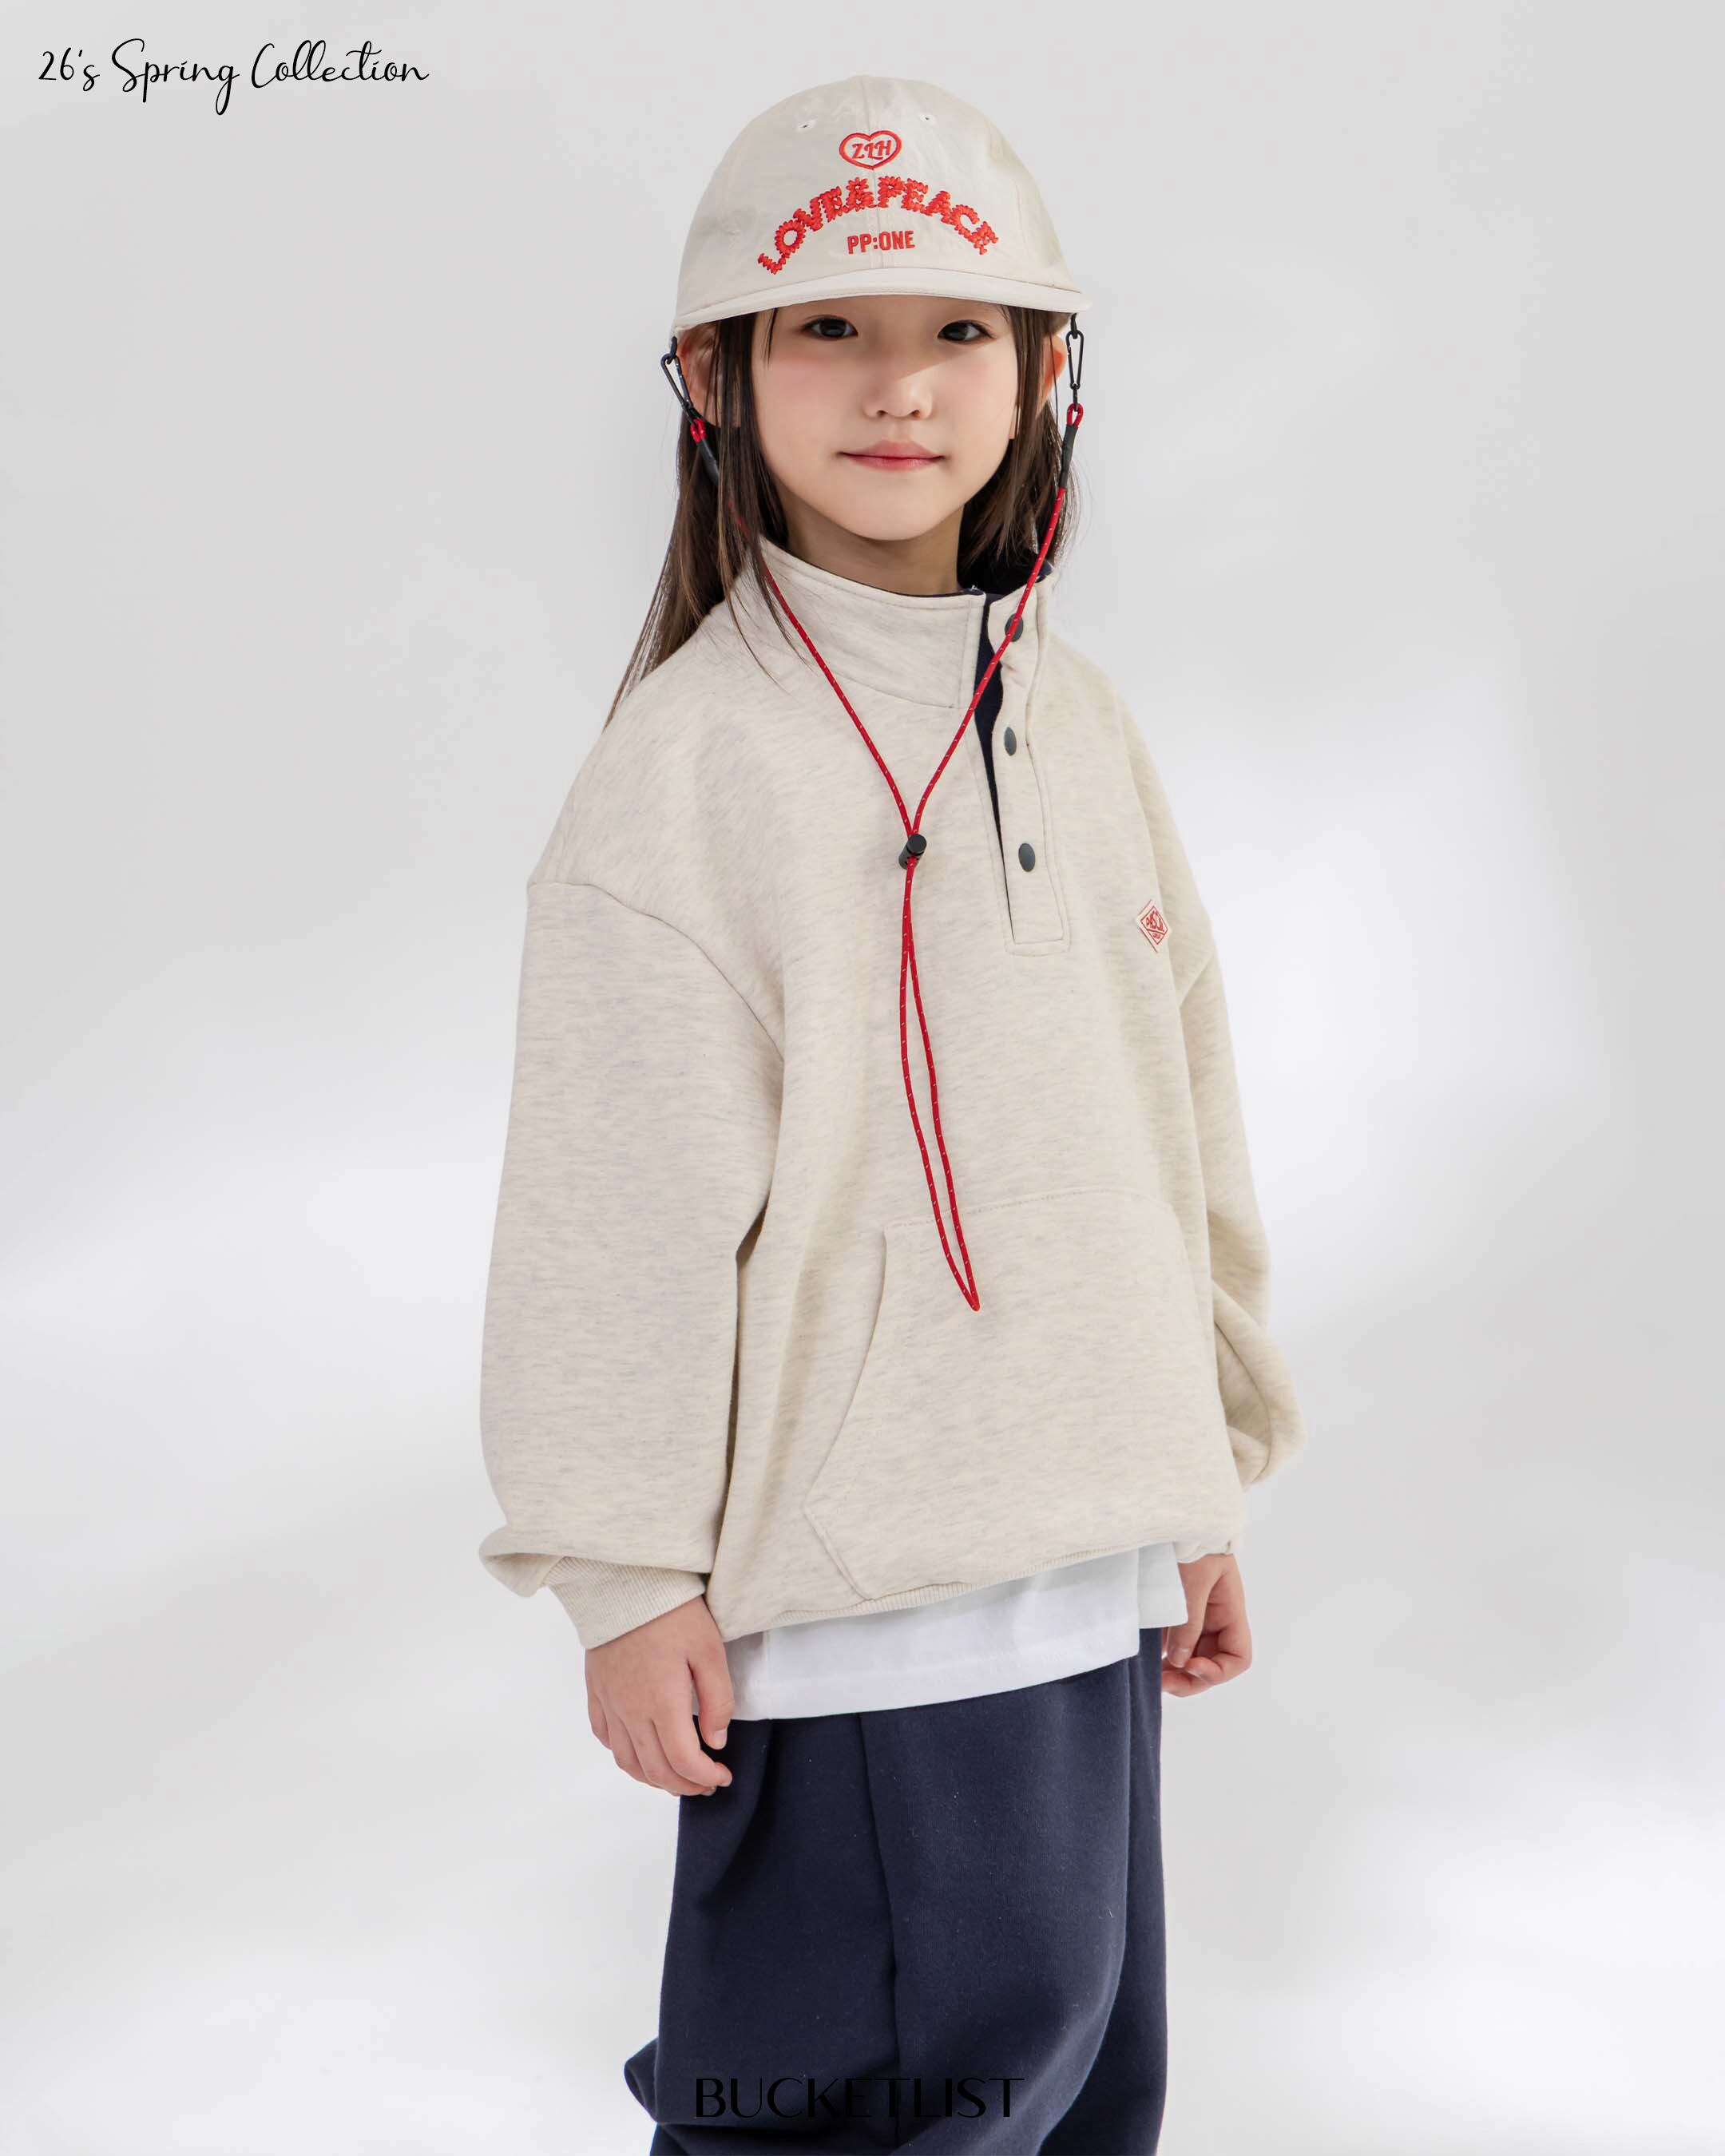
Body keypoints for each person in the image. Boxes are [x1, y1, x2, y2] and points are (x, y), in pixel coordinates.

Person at [476, 73, 1308, 2154]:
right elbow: (612, 1210)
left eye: (957, 327)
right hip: (861, 1630)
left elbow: (1175, 1109)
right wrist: (623, 1572)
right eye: (826, 326)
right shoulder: (692, 770)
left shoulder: (1074, 717)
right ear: (716, 376)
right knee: (863, 2120)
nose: (897, 383)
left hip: (1084, 1582)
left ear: (1042, 376)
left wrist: (1197, 1471)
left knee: (1082, 2107)